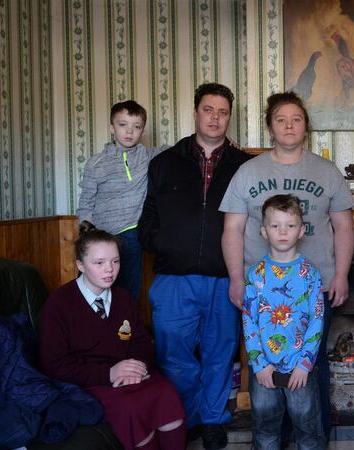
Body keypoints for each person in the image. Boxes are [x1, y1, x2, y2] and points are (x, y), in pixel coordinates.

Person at [220, 91, 354, 439]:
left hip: (315, 285)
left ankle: (314, 438)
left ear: (306, 126)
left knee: (311, 364)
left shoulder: (327, 172)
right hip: (261, 289)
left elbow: (343, 227)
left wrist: (340, 274)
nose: (289, 125)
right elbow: (232, 229)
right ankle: (272, 440)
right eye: (281, 119)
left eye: (296, 119)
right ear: (270, 127)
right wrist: (236, 278)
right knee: (265, 360)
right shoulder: (248, 173)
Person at [138, 82, 252, 450]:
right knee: (174, 355)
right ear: (196, 112)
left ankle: (214, 419)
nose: (215, 118)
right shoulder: (165, 162)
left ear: (229, 118)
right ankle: (184, 417)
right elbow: (148, 218)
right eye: (208, 110)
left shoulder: (245, 166)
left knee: (221, 352)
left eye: (222, 112)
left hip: (225, 278)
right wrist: (164, 244)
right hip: (174, 278)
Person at [38, 230, 186, 450]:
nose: (109, 269)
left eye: (115, 261)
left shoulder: (124, 299)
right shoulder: (59, 304)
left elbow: (141, 343)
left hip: (131, 376)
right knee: (131, 407)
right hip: (90, 382)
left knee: (167, 393)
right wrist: (109, 373)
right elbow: (54, 364)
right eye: (99, 263)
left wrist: (139, 367)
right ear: (80, 265)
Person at [244, 194, 326, 450]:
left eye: (290, 226)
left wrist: (305, 364)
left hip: (300, 370)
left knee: (308, 432)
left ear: (301, 231)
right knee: (265, 433)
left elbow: (317, 319)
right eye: (275, 225)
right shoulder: (256, 275)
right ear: (264, 231)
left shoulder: (310, 273)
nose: (282, 232)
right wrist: (259, 365)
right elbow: (249, 321)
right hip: (264, 372)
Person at [76, 100, 163, 301]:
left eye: (137, 126)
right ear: (112, 127)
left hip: (132, 233)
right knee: (88, 292)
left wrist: (223, 142)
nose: (129, 131)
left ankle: (124, 331)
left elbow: (182, 149)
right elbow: (86, 201)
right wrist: (86, 233)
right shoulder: (96, 163)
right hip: (101, 235)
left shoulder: (149, 156)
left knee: (127, 292)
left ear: (142, 131)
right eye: (123, 124)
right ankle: (86, 329)